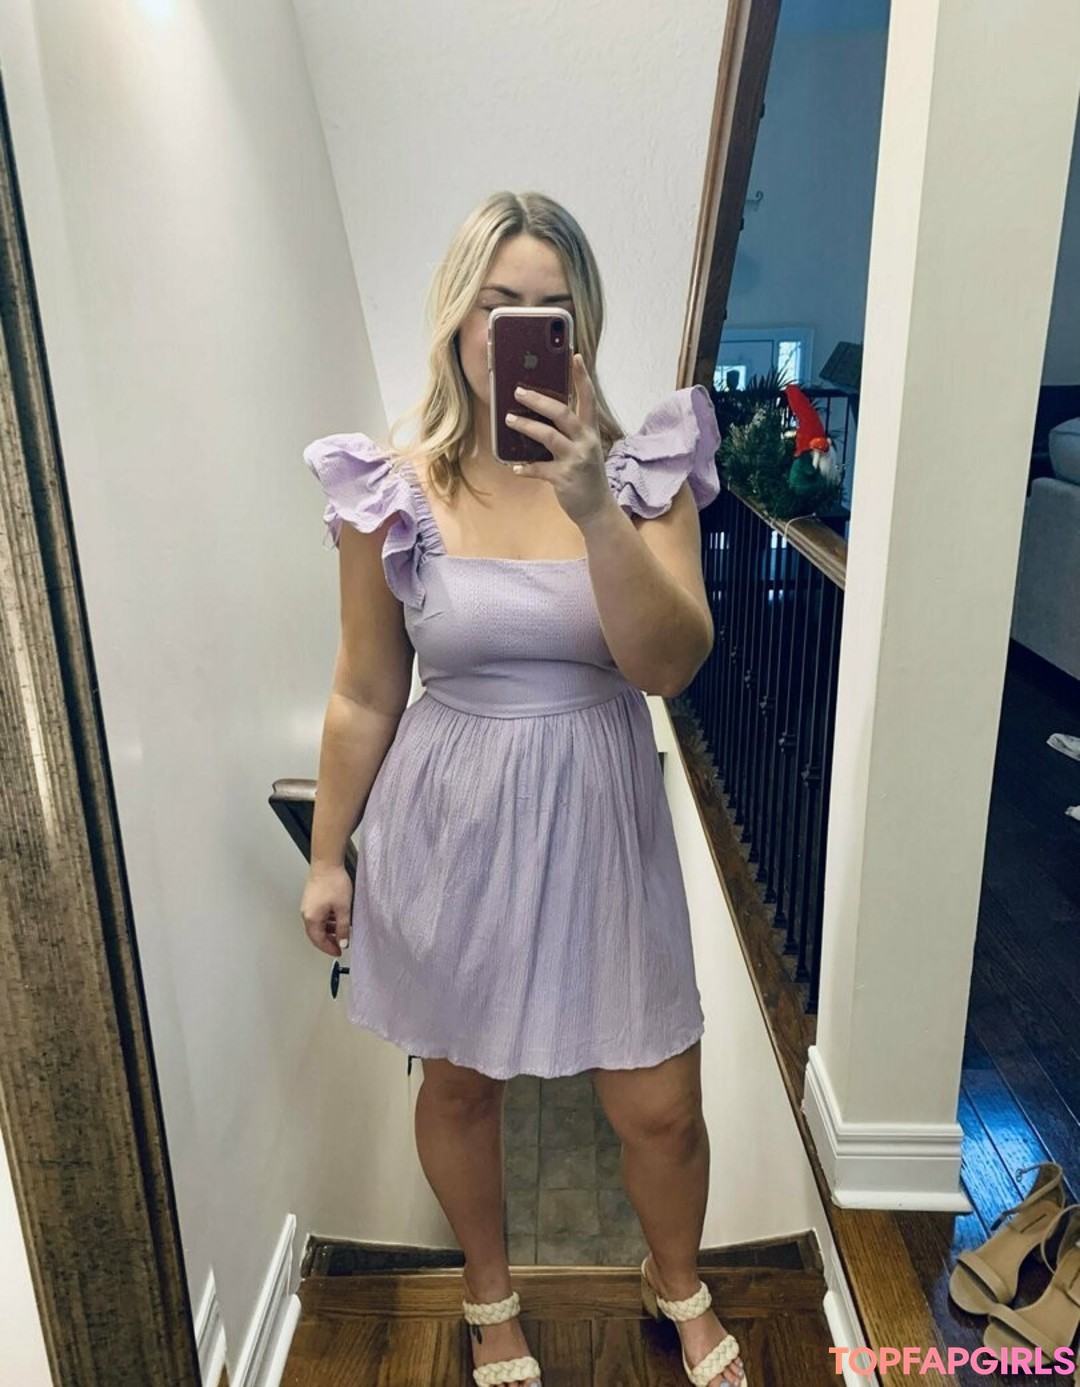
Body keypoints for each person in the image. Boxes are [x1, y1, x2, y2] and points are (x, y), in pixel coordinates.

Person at [300, 191, 748, 1387]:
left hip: (602, 817)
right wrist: (329, 854)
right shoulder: (392, 487)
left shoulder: (643, 476)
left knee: (660, 1102)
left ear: (581, 330)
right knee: (461, 1086)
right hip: (450, 821)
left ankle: (676, 1280)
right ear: (458, 320)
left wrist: (593, 502)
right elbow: (364, 690)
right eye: (499, 306)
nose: (520, 332)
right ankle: (489, 1298)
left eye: (550, 310)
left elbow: (668, 665)